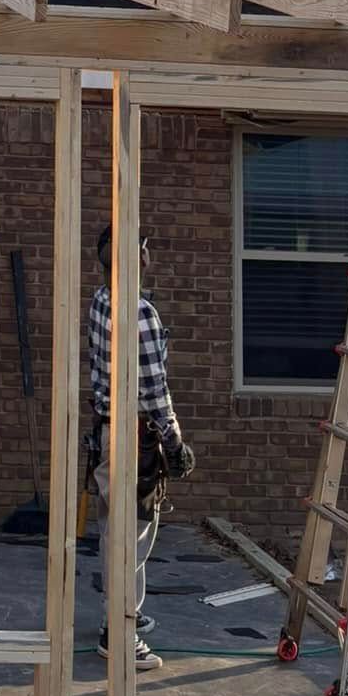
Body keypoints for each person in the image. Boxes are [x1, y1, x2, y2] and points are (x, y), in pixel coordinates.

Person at [87, 226, 194, 668]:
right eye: (144, 247)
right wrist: (174, 442)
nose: (150, 253)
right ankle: (119, 635)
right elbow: (154, 389)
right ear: (137, 258)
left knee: (118, 527)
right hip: (134, 435)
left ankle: (125, 614)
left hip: (108, 429)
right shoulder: (140, 313)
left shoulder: (100, 301)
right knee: (130, 536)